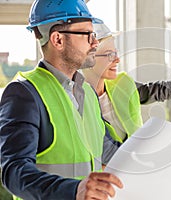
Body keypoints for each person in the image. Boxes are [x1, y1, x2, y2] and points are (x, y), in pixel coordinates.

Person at [0, 0, 123, 199]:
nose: (95, 43)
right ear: (58, 40)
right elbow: (14, 172)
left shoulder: (87, 92)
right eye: (87, 35)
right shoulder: (24, 94)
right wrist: (74, 190)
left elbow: (107, 149)